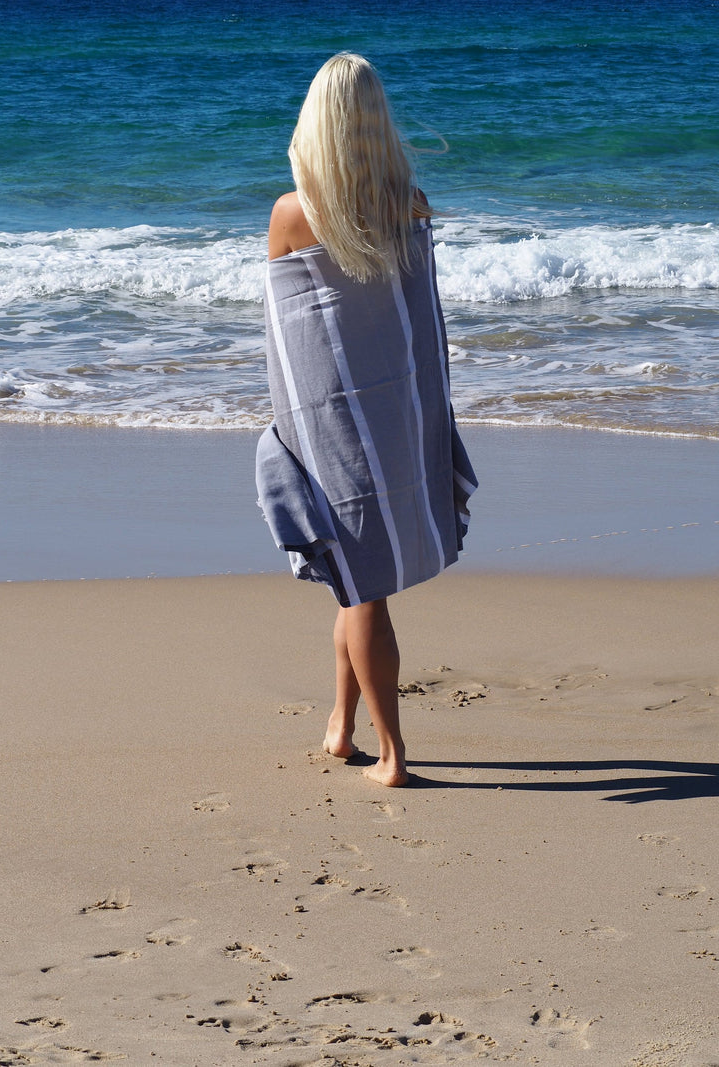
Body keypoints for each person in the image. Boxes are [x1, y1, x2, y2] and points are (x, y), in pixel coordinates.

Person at [256, 53, 476, 787]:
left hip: (337, 436)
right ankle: (341, 726)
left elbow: (289, 343)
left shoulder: (294, 214)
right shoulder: (411, 202)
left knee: (360, 589)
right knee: (352, 583)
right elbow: (416, 327)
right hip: (394, 424)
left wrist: (289, 431)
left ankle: (393, 756)